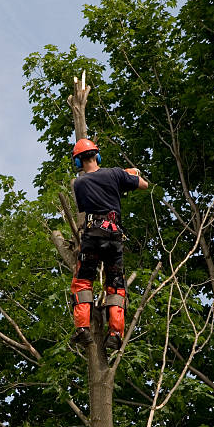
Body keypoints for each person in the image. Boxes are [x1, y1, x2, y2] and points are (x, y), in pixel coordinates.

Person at [70, 138, 148, 350]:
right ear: (98, 155)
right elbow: (143, 185)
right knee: (115, 285)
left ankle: (82, 329)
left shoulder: (79, 183)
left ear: (78, 163)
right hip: (114, 237)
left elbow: (84, 206)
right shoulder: (115, 173)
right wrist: (130, 174)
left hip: (92, 236)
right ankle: (114, 333)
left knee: (83, 281)